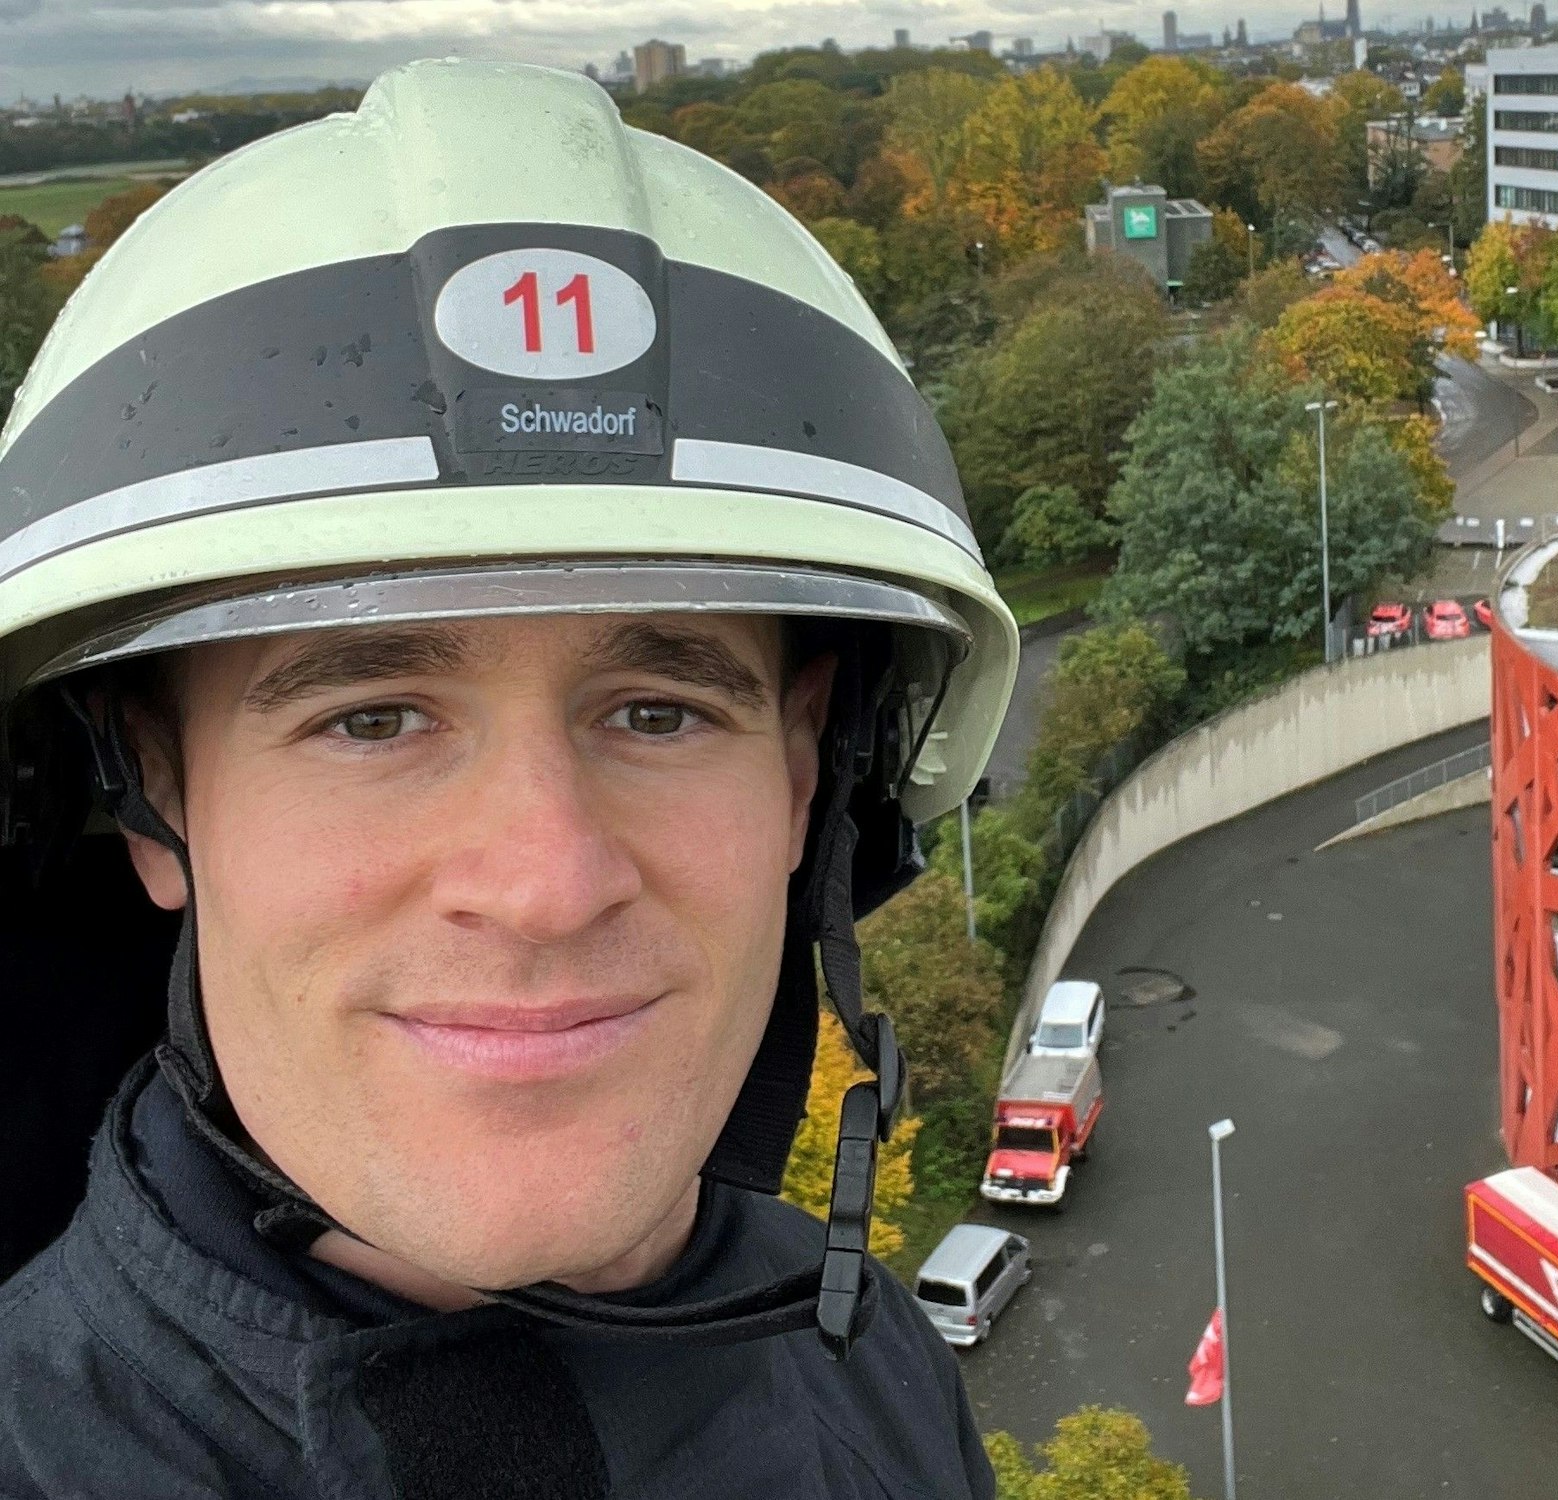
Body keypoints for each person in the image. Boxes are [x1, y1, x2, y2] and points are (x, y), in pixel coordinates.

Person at [0, 59, 1017, 1499]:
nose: (546, 883)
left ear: (808, 778)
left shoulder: (875, 1366)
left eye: (659, 713)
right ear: (151, 795)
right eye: (371, 719)